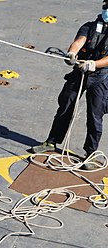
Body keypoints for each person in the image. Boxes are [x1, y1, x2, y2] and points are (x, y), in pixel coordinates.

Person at [31, 2, 108, 170]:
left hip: (101, 77)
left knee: (95, 115)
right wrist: (72, 53)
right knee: (66, 104)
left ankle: (90, 153)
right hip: (80, 72)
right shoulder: (90, 26)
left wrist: (94, 64)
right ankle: (51, 142)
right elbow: (79, 41)